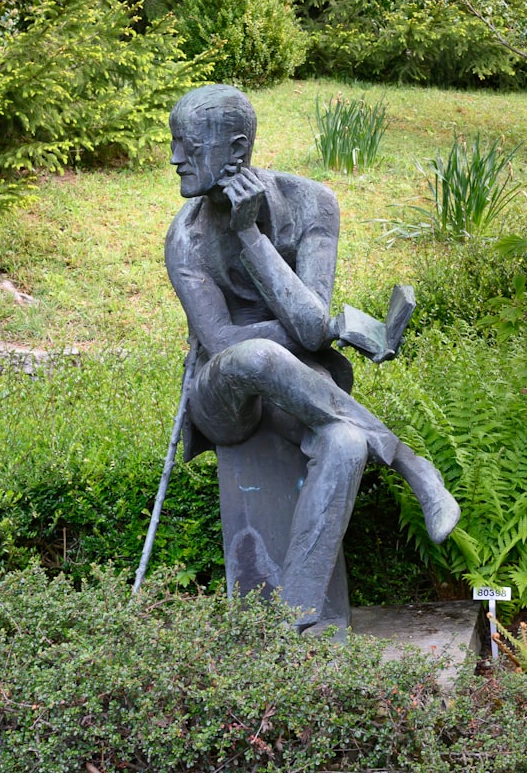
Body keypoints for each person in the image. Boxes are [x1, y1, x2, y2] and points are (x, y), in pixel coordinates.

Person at [164, 84, 459, 631]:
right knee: (253, 354)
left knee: (345, 443)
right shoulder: (186, 240)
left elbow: (310, 326)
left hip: (300, 386)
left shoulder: (311, 203)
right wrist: (318, 332)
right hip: (222, 397)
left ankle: (297, 629)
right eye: (173, 142)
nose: (175, 157)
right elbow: (233, 342)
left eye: (188, 144)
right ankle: (410, 465)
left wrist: (250, 233)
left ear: (236, 150)